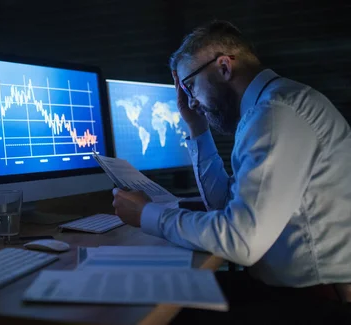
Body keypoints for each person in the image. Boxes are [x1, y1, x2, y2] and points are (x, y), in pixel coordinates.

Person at [111, 20, 351, 323]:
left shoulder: (276, 113)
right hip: (295, 290)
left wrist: (147, 214)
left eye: (190, 86)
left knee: (151, 308)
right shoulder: (267, 110)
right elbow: (224, 205)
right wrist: (197, 129)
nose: (191, 101)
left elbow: (242, 240)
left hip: (317, 304)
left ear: (224, 67)